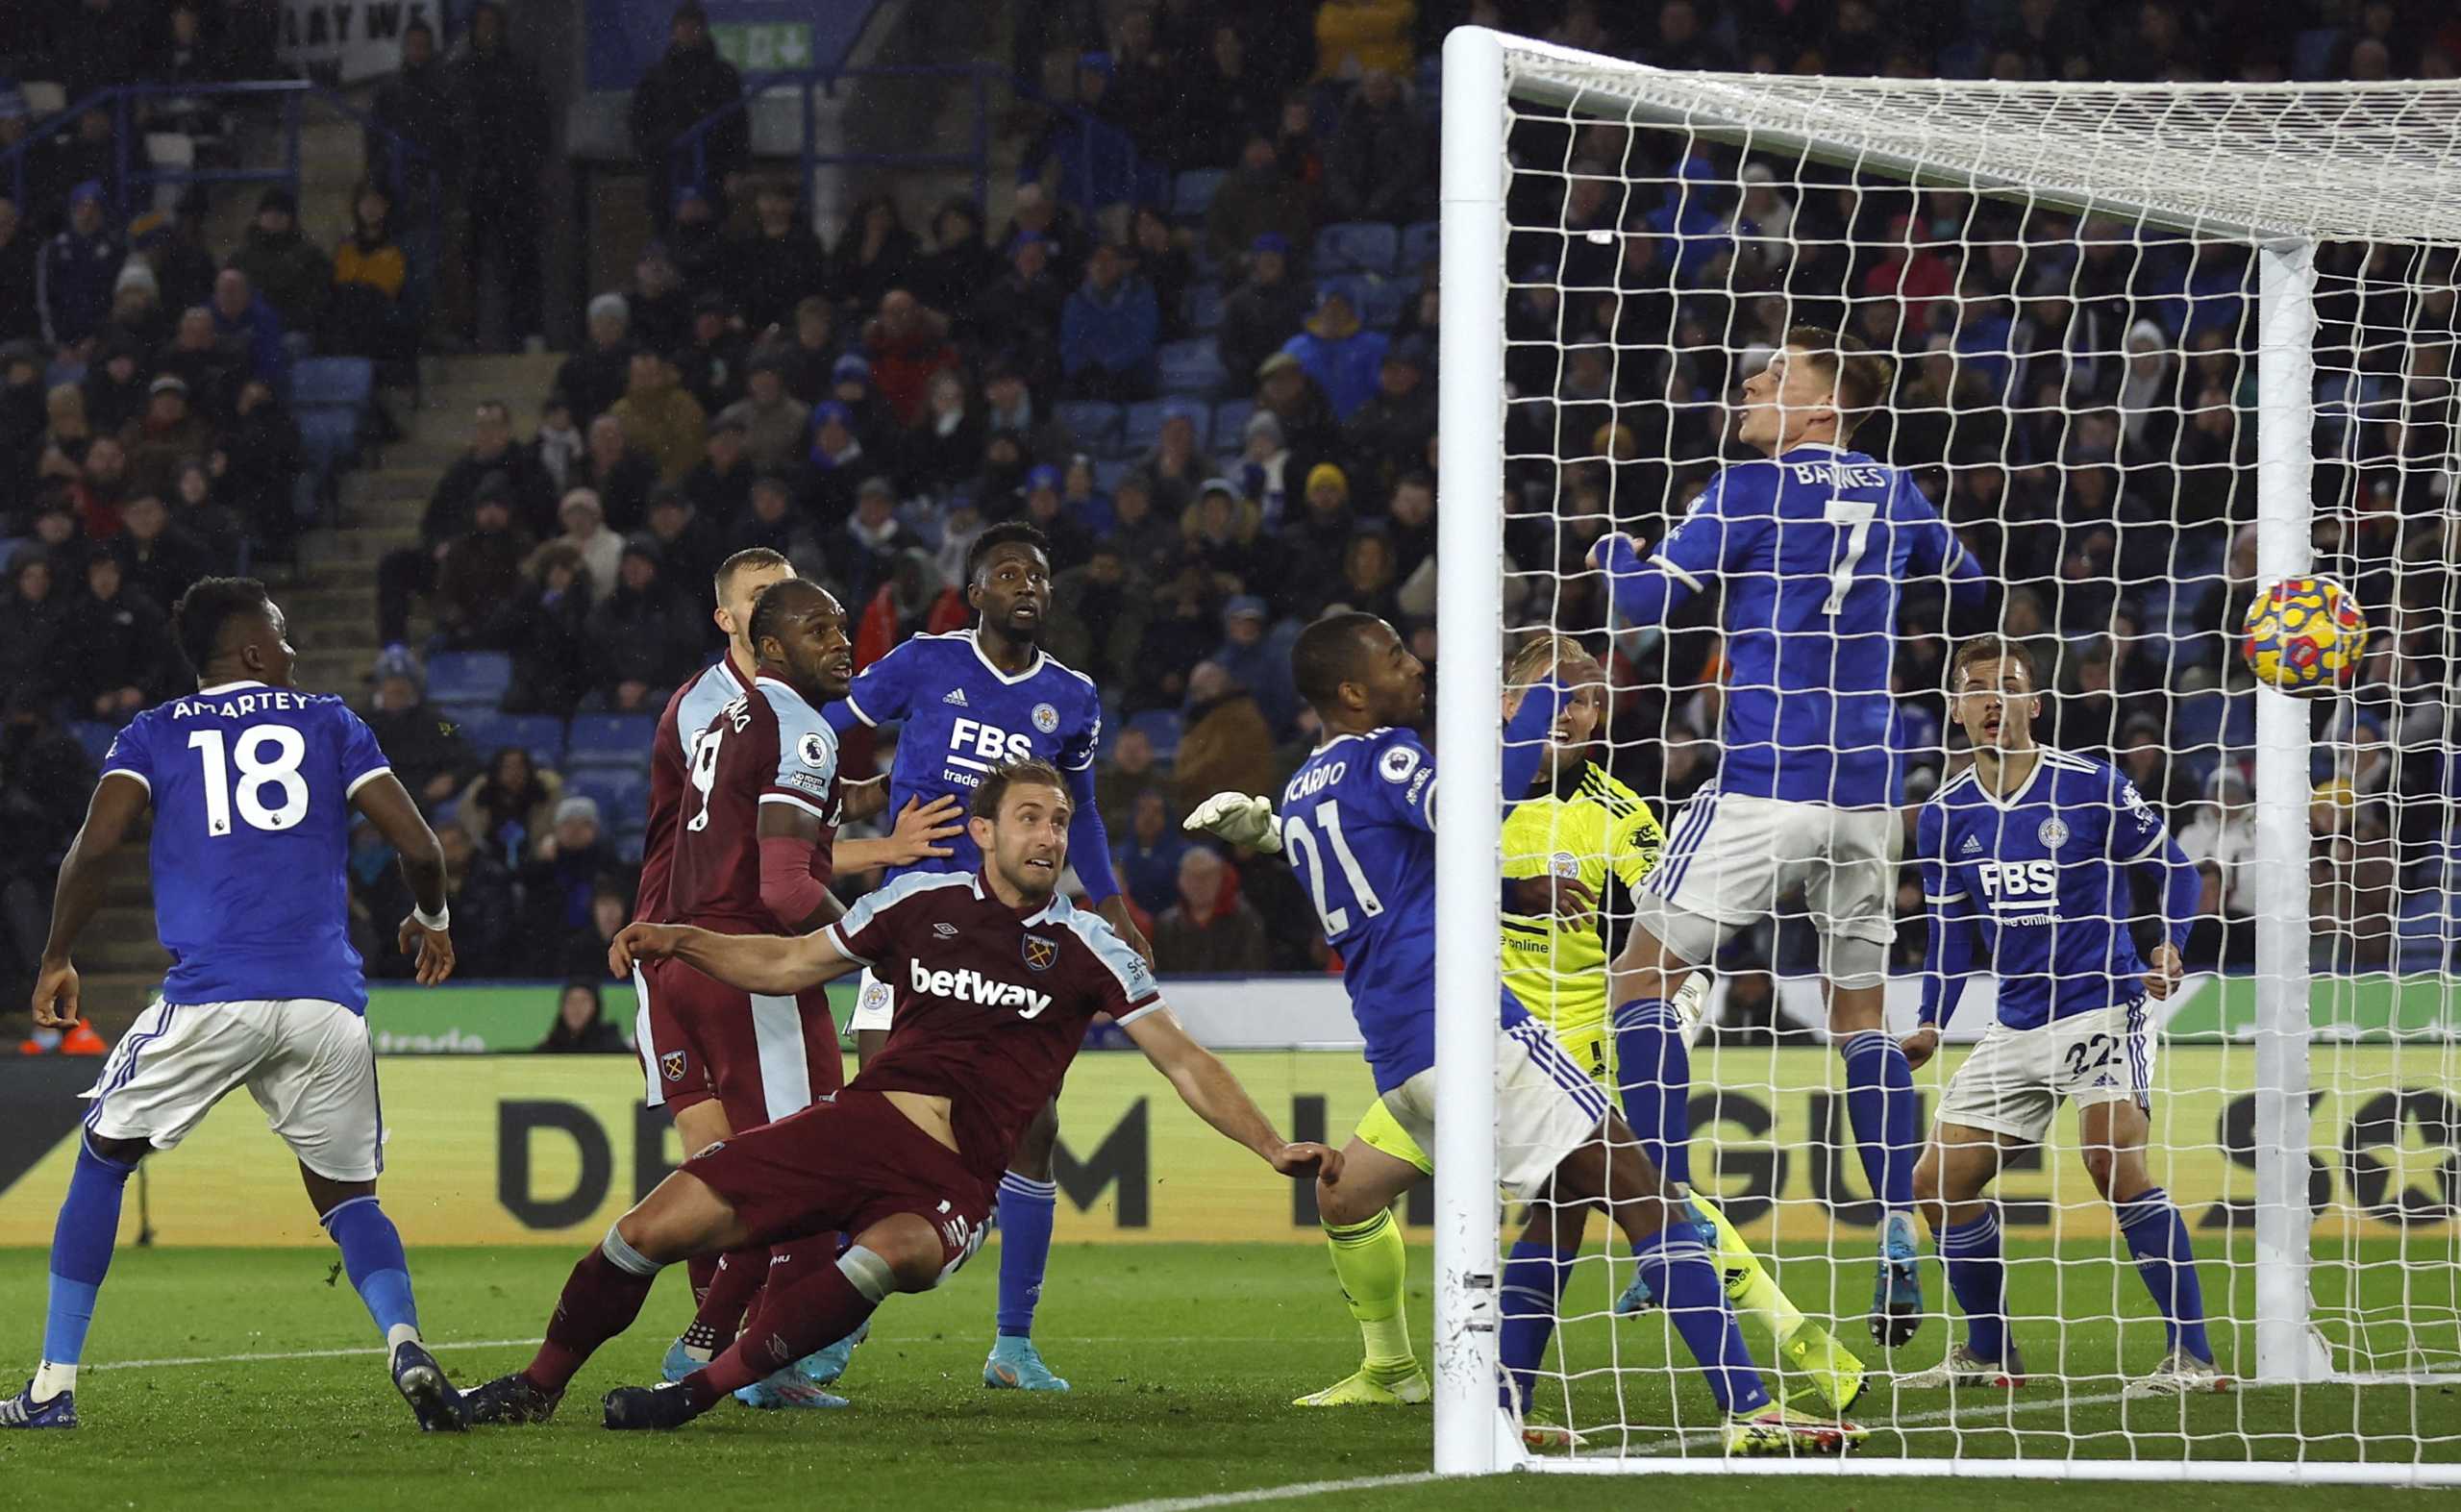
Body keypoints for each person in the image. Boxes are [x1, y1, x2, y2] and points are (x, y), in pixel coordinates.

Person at [463, 758, 1337, 1431]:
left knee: (893, 1254)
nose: (1049, 836)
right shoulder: (920, 899)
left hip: (951, 1181)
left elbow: (1183, 1059)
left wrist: (1269, 1144)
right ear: (987, 831)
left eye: (1061, 821)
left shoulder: (1092, 947)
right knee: (643, 1232)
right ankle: (535, 1386)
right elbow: (789, 961)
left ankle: (692, 1393)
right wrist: (686, 939)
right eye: (1030, 818)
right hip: (855, 1127)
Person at [1182, 612, 1857, 1452]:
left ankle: (1501, 1412)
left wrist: (1515, 895)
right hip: (1476, 1031)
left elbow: (1411, 886)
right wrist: (1532, 714)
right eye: (1395, 656)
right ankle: (1751, 1408)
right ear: (1353, 690)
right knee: (1641, 1188)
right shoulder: (1391, 755)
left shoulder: (1304, 790)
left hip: (1398, 1051)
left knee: (1561, 1205)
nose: (1415, 663)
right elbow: (1476, 811)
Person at [1588, 325, 1987, 1346]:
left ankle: (1666, 1219)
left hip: (1765, 784)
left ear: (1822, 406)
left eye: (1777, 375)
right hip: (1868, 797)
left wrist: (1611, 552)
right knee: (1858, 1012)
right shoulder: (1897, 491)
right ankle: (1898, 1227)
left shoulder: (1742, 490)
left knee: (1638, 981)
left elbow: (1639, 609)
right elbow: (1972, 581)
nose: (1753, 382)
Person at [3, 579, 465, 1432]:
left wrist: (58, 953)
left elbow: (95, 845)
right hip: (326, 1000)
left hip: (214, 994)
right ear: (252, 649)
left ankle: (51, 1387)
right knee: (351, 1199)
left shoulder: (152, 733)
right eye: (281, 633)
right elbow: (420, 846)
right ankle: (405, 1342)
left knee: (104, 1157)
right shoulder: (329, 721)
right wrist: (431, 918)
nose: (291, 647)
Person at [1487, 635, 1867, 1410]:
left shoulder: (1619, 816)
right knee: (1348, 1196)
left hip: (1574, 1052)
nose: (1574, 709)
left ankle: (1772, 1371)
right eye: (1555, 689)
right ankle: (1414, 1370)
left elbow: (1680, 928)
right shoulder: (1454, 797)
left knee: (1588, 1211)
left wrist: (1673, 1005)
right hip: (1466, 1042)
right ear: (1506, 699)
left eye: (1591, 697)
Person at [825, 521, 1155, 1392]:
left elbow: (1079, 810)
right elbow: (819, 729)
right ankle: (827, 1335)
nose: (1026, 584)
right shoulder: (924, 660)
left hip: (1020, 938)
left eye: (1038, 574)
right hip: (908, 920)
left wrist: (1112, 905)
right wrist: (849, 815)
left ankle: (1013, 1345)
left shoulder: (1073, 697)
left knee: (1035, 1126)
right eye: (1006, 572)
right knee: (877, 1122)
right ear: (974, 593)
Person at [626, 550, 962, 1393]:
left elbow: (785, 820)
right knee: (780, 1171)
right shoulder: (728, 706)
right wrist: (874, 935)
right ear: (739, 623)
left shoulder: (752, 714)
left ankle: (716, 1344)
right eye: (765, 600)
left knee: (728, 1161)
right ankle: (724, 1353)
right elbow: (778, 871)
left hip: (682, 943)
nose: (836, 639)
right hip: (740, 957)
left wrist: (881, 816)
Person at [1899, 635, 2221, 1398]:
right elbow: (1950, 934)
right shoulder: (1944, 816)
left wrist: (2170, 944)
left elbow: (2174, 869)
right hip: (2013, 1023)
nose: (1989, 699)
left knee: (2112, 1161)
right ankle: (1990, 1352)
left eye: (2006, 685)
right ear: (1955, 707)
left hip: (2099, 1006)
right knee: (1938, 1184)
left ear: (2034, 704)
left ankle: (2195, 1358)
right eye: (1974, 687)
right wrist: (1930, 1022)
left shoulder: (2089, 786)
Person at [447, 1, 550, 351]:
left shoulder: (521, 69)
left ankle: (526, 334)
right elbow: (450, 131)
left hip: (515, 180)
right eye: (481, 23)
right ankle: (466, 336)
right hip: (471, 182)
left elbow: (539, 125)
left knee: (521, 259)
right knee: (469, 261)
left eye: (492, 22)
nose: (487, 29)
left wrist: (529, 167)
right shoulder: (458, 73)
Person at [630, 3, 748, 235]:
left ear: (704, 30)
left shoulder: (724, 75)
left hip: (713, 169)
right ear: (673, 31)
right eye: (683, 27)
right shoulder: (655, 77)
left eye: (694, 27)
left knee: (712, 236)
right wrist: (652, 153)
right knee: (667, 235)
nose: (688, 32)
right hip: (667, 169)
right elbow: (639, 122)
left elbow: (738, 124)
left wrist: (736, 168)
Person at [1151, 846, 1270, 973]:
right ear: (1181, 881)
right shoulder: (1166, 925)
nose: (1199, 884)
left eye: (1207, 876)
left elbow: (1252, 968)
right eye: (1192, 876)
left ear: (1220, 879)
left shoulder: (1245, 920)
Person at [538, 980, 629, 1053]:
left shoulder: (612, 1046)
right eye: (571, 1001)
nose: (577, 1008)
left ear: (596, 1006)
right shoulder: (550, 1048)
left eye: (584, 1001)